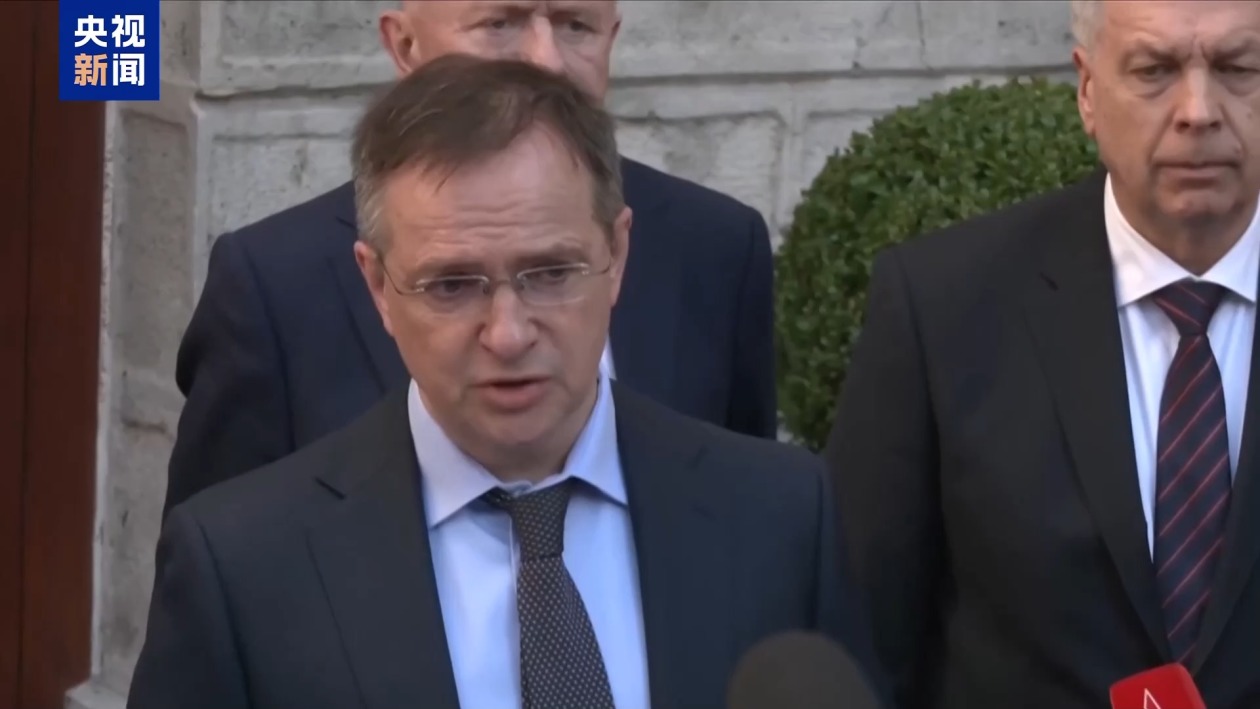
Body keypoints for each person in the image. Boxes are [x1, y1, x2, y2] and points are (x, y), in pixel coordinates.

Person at [127, 55, 881, 709]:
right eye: (452, 285)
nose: (509, 333)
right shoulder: (242, 562)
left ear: (617, 255)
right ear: (379, 286)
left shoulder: (781, 516)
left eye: (550, 273)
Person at [162, 0, 777, 519]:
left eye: (575, 26)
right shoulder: (273, 284)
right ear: (404, 46)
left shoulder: (718, 247)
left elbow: (748, 527)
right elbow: (220, 571)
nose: (545, 61)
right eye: (500, 23)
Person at [824, 0, 1260, 707]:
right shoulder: (944, 307)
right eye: (1154, 70)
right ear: (1087, 91)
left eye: (1238, 68)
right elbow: (862, 643)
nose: (1198, 111)